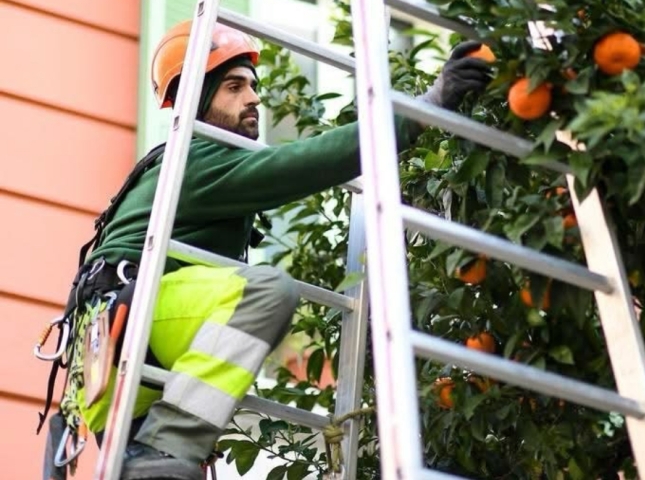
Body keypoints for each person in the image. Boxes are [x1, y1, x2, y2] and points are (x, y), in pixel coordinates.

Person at [39, 19, 492, 480]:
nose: (254, 98)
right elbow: (300, 164)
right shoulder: (194, 159)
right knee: (265, 291)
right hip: (131, 329)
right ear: (198, 98)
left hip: (116, 365)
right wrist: (422, 109)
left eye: (253, 86)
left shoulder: (192, 167)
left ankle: (162, 450)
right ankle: (170, 443)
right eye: (234, 86)